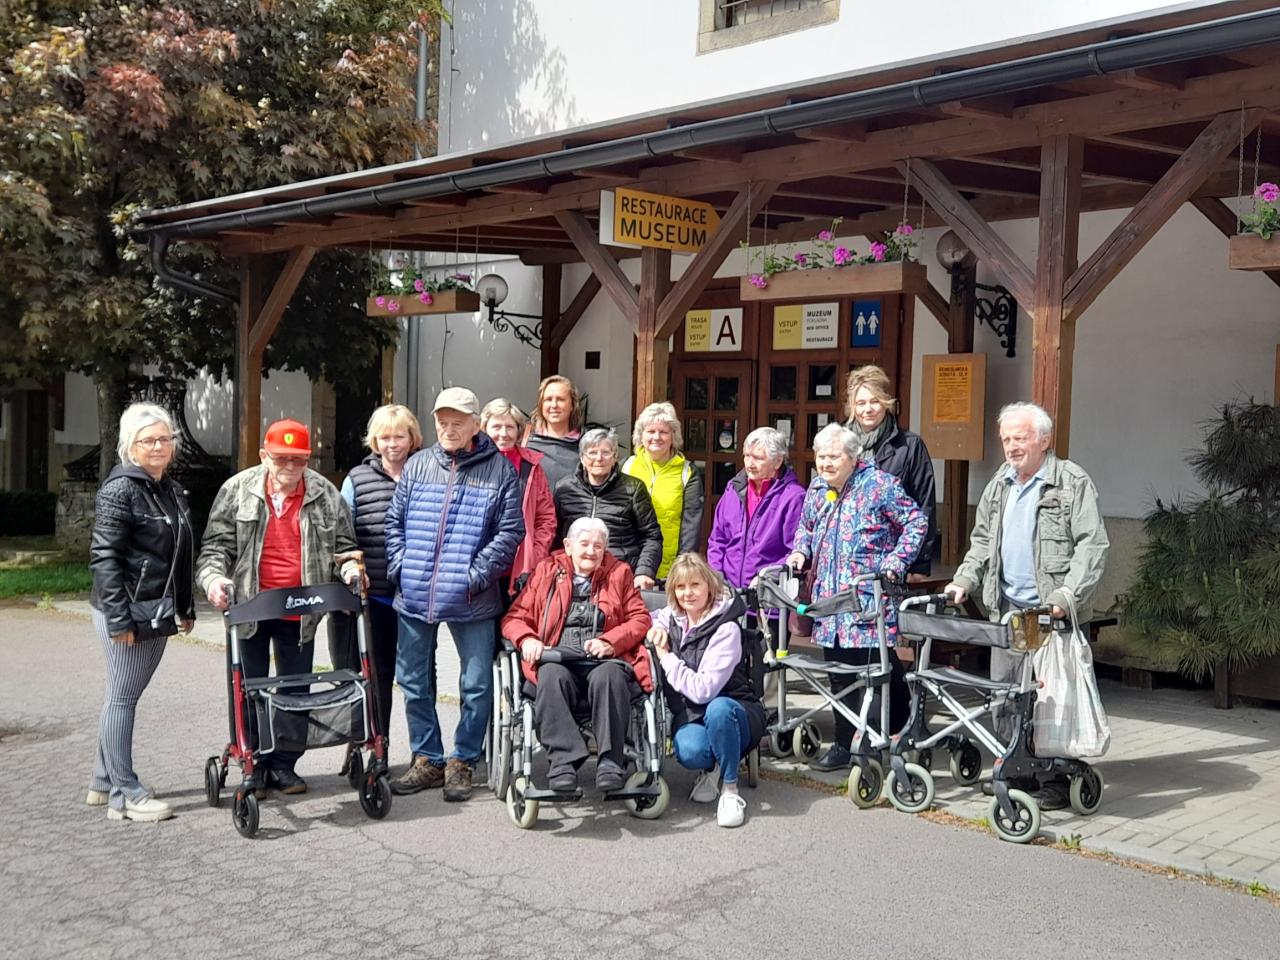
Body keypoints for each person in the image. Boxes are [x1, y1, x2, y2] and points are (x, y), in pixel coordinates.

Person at [945, 402, 1109, 809]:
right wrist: (964, 580)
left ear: (1044, 440)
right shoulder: (1000, 483)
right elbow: (982, 540)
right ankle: (1017, 771)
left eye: (1020, 438)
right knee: (1006, 696)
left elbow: (1092, 546)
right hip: (1009, 611)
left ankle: (1056, 778)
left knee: (1052, 701)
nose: (1012, 446)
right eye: (1006, 439)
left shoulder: (1071, 482)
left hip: (1048, 615)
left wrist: (1066, 596)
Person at [197, 418, 360, 797]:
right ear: (263, 456)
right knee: (248, 687)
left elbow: (344, 548)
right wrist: (213, 579)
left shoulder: (325, 493)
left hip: (300, 610)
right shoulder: (237, 490)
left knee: (295, 689)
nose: (290, 466)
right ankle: (252, 762)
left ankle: (284, 765)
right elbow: (215, 547)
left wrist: (350, 570)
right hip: (250, 606)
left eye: (298, 459)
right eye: (281, 458)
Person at [385, 387, 524, 801]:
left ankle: (463, 759)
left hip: (472, 596)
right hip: (415, 592)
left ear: (476, 425)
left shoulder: (500, 470)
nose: (448, 429)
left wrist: (474, 576)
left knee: (477, 683)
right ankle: (427, 758)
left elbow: (510, 532)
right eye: (442, 422)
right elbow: (395, 523)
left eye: (457, 423)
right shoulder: (418, 465)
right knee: (414, 680)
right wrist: (402, 567)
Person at [787, 422, 927, 772]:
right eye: (821, 456)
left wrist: (896, 562)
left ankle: (893, 733)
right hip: (828, 599)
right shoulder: (818, 488)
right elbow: (806, 527)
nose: (825, 463)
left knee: (877, 671)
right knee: (838, 673)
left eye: (833, 456)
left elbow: (916, 522)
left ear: (853, 457)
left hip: (867, 598)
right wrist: (800, 551)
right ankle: (844, 743)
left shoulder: (879, 485)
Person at [86, 403, 195, 823]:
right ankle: (124, 795)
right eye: (148, 440)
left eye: (165, 439)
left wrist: (184, 607)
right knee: (123, 698)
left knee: (122, 694)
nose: (158, 446)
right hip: (127, 611)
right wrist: (119, 620)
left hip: (157, 610)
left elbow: (181, 553)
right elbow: (104, 558)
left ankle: (101, 781)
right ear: (130, 446)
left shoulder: (171, 489)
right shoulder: (121, 490)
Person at [500, 517, 652, 794]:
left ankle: (610, 762)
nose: (591, 551)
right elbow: (514, 618)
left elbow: (640, 619)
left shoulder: (620, 573)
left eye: (598, 546)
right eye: (584, 544)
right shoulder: (546, 570)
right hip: (556, 657)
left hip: (603, 659)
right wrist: (527, 638)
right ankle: (563, 763)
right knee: (550, 675)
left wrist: (611, 642)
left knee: (610, 676)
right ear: (568, 546)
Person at [648, 553, 766, 829]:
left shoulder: (726, 628)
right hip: (692, 714)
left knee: (718, 709)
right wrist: (657, 627)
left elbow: (703, 691)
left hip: (735, 710)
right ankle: (714, 766)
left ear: (709, 587)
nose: (687, 593)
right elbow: (650, 617)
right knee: (690, 751)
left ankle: (730, 790)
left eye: (695, 585)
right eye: (680, 587)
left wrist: (666, 656)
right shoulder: (673, 617)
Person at [334, 403, 423, 749]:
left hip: (416, 596)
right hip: (376, 596)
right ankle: (373, 746)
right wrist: (350, 574)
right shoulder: (357, 479)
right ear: (375, 441)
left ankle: (423, 755)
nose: (392, 444)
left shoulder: (427, 472)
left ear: (412, 438)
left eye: (399, 436)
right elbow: (342, 535)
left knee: (418, 679)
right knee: (376, 674)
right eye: (385, 437)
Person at [844, 365, 937, 578]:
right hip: (846, 558)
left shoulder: (909, 445)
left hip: (891, 561)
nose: (868, 409)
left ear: (886, 403)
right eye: (861, 403)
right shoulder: (838, 443)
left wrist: (920, 564)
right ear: (852, 406)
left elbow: (925, 504)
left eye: (874, 401)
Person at [553, 428, 663, 590]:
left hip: (620, 573)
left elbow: (651, 536)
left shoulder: (633, 488)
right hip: (573, 574)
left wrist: (644, 571)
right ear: (582, 458)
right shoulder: (565, 488)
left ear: (614, 457)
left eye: (606, 453)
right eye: (592, 453)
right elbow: (554, 535)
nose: (599, 458)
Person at [705, 426, 806, 591]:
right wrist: (717, 577)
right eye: (746, 456)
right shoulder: (733, 489)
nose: (749, 464)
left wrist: (765, 578)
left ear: (778, 461)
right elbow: (717, 539)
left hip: (768, 594)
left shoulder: (793, 497)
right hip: (727, 591)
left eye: (758, 458)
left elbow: (795, 551)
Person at [481, 398, 557, 597]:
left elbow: (546, 518)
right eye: (496, 427)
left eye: (509, 427)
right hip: (480, 564)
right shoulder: (473, 463)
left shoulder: (530, 466)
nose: (503, 433)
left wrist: (535, 554)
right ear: (484, 429)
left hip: (519, 566)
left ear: (518, 431)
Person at [623, 402, 703, 579]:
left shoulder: (687, 472)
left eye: (663, 432)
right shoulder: (626, 466)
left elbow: (691, 526)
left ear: (673, 436)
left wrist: (682, 567)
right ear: (641, 435)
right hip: (627, 565)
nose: (656, 437)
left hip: (668, 569)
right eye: (650, 431)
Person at [524, 374, 583, 490]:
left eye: (560, 399)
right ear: (541, 405)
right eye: (548, 399)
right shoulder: (526, 442)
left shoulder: (585, 444)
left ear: (572, 405)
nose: (554, 405)